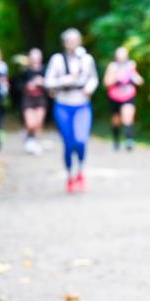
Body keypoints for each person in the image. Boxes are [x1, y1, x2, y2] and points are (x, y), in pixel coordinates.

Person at [45, 28, 98, 193]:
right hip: (63, 104)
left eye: (75, 40)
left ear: (80, 41)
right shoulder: (57, 60)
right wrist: (66, 80)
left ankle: (80, 170)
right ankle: (69, 175)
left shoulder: (87, 59)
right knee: (68, 143)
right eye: (69, 40)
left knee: (80, 140)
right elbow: (48, 81)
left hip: (82, 104)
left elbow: (93, 78)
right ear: (64, 43)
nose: (72, 43)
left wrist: (89, 88)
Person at [104, 46, 144, 151]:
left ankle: (129, 141)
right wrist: (116, 78)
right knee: (116, 121)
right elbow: (106, 83)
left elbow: (138, 79)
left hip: (128, 95)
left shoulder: (131, 65)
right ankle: (116, 141)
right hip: (115, 97)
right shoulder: (112, 66)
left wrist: (136, 78)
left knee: (128, 118)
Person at [19, 48, 48, 155]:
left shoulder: (45, 70)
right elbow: (18, 86)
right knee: (30, 123)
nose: (36, 60)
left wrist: (42, 83)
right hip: (28, 99)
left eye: (37, 57)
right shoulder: (25, 71)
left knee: (38, 122)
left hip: (41, 98)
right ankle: (28, 135)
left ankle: (35, 143)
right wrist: (28, 85)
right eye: (33, 57)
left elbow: (51, 85)